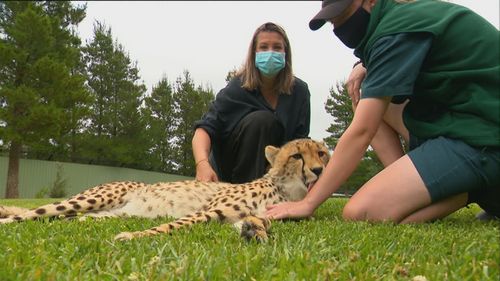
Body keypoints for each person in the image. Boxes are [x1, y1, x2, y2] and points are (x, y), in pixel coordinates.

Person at [266, 0, 500, 223]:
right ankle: (415, 185)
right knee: (366, 96)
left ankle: (468, 191)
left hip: (483, 135)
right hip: (466, 119)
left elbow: (362, 131)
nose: (339, 26)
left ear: (371, 2)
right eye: (333, 21)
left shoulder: (396, 30)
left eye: (344, 13)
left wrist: (309, 203)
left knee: (362, 212)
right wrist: (362, 65)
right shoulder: (401, 18)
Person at [192, 22, 311, 184]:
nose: (270, 52)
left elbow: (301, 143)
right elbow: (204, 130)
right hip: (230, 171)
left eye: (277, 47)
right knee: (262, 121)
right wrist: (202, 164)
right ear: (254, 53)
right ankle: (244, 195)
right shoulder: (237, 88)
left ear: (286, 53)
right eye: (263, 47)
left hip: (275, 172)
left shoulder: (300, 92)